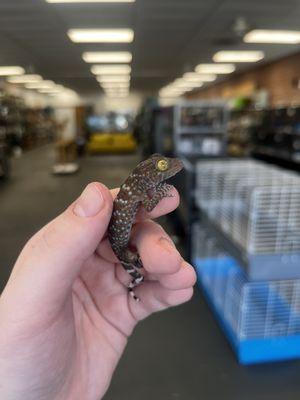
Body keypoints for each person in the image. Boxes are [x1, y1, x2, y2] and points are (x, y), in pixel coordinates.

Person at [0, 182, 196, 400]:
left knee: (145, 260)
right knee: (139, 264)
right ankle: (135, 280)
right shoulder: (138, 193)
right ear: (148, 177)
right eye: (161, 166)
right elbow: (149, 207)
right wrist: (159, 192)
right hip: (120, 247)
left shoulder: (137, 190)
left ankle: (135, 280)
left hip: (119, 244)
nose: (168, 168)